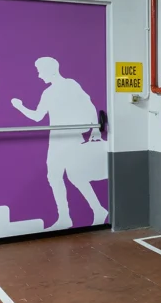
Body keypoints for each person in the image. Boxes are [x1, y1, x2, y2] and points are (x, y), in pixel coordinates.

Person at [11, 57, 108, 230]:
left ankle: (84, 213)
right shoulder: (48, 92)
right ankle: (74, 215)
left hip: (69, 139)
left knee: (71, 176)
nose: (39, 76)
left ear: (51, 70)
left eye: (40, 71)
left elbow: (89, 105)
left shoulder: (70, 84)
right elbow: (38, 116)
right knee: (60, 177)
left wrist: (95, 130)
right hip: (56, 140)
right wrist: (20, 107)